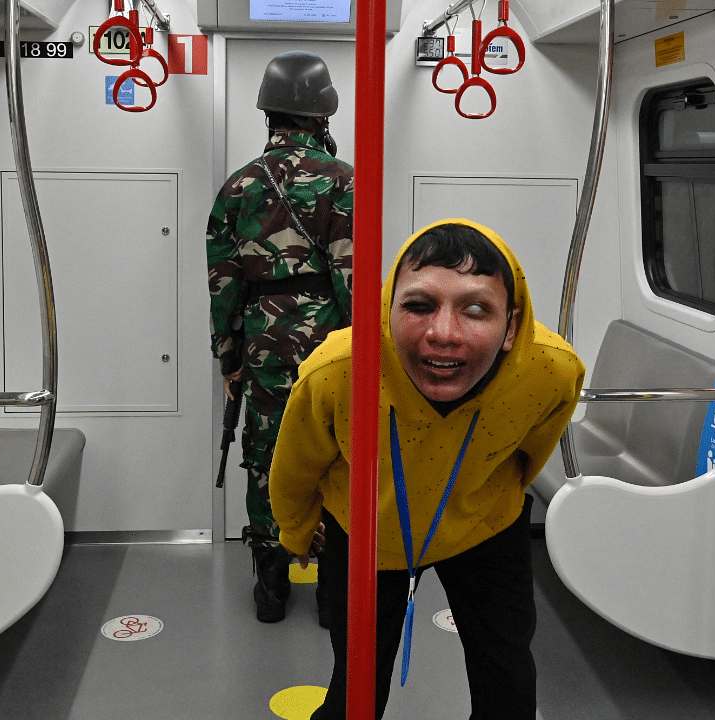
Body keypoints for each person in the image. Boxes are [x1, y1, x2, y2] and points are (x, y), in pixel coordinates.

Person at [270, 219, 586, 719]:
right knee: (357, 687)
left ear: (511, 327)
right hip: (371, 531)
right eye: (418, 306)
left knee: (506, 676)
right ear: (385, 311)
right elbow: (295, 465)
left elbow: (531, 450)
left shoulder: (551, 370)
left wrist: (483, 493)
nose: (443, 334)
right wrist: (296, 530)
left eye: (477, 309)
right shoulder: (339, 371)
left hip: (484, 523)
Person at [205, 51, 353, 624]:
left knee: (266, 454)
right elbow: (353, 277)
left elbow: (223, 285)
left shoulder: (239, 185)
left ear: (268, 110)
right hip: (332, 344)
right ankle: (333, 589)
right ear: (323, 113)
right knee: (336, 452)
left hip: (263, 340)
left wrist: (229, 358)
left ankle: (271, 582)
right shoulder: (345, 181)